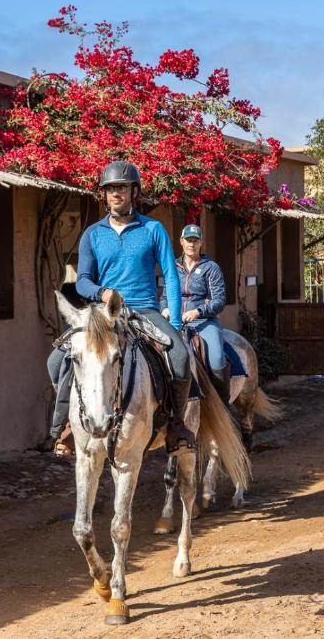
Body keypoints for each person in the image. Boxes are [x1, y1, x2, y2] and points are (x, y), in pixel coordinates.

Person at [44, 160, 196, 456]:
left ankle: (175, 426)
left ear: (133, 192)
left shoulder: (153, 229)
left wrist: (175, 324)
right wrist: (103, 293)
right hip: (104, 313)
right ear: (104, 194)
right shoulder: (92, 234)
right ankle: (66, 425)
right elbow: (83, 281)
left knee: (178, 357)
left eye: (122, 188)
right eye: (111, 188)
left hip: (145, 309)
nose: (116, 193)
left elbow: (171, 277)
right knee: (55, 361)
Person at [161, 224, 232, 404]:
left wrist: (198, 311)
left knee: (216, 357)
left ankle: (222, 404)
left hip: (204, 321)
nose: (191, 244)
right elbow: (163, 295)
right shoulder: (172, 267)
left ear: (201, 243)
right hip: (175, 321)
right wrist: (164, 308)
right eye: (188, 240)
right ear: (181, 242)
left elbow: (219, 300)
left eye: (195, 240)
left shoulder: (211, 268)